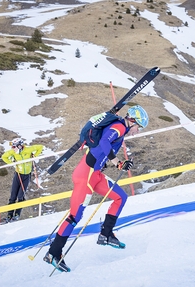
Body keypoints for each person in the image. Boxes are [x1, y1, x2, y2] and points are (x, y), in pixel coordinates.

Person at [43, 105, 149, 272]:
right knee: (74, 216)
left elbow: (101, 152)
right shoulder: (119, 127)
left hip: (96, 175)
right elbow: (104, 141)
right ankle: (53, 253)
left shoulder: (120, 131)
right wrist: (118, 163)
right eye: (139, 127)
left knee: (121, 197)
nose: (138, 131)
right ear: (133, 121)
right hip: (85, 176)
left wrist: (113, 164)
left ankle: (105, 234)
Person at [1, 138, 44, 222]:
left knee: (20, 196)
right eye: (12, 147)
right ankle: (9, 215)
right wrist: (13, 163)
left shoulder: (28, 149)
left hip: (26, 176)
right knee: (13, 196)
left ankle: (17, 214)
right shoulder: (13, 152)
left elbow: (40, 147)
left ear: (20, 146)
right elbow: (4, 157)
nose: (13, 148)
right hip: (18, 175)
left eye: (14, 146)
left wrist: (34, 156)